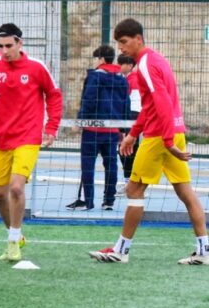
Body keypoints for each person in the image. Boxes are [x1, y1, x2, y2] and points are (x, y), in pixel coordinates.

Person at [90, 18, 208, 264]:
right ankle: (205, 250)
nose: (120, 48)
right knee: (185, 191)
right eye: (118, 43)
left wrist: (166, 142)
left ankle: (121, 250)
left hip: (159, 136)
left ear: (138, 39)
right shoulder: (157, 59)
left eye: (123, 42)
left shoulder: (144, 65)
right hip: (174, 131)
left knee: (134, 189)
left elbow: (162, 102)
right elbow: (152, 105)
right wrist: (134, 133)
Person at [0, 23, 62, 263]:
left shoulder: (36, 67)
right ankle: (16, 234)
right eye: (0, 46)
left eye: (9, 45)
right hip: (0, 139)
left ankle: (12, 242)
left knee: (16, 188)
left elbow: (54, 95)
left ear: (20, 43)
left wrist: (51, 127)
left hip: (28, 138)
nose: (4, 51)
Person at [67, 45, 128, 212]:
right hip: (112, 130)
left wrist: (80, 121)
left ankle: (88, 201)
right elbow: (125, 104)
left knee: (87, 165)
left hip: (93, 130)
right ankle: (109, 200)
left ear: (101, 59)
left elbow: (89, 99)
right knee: (111, 165)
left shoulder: (95, 77)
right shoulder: (122, 78)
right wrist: (123, 129)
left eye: (96, 59)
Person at [117, 53, 141, 190]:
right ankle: (131, 181)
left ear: (130, 66)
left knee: (127, 149)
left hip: (132, 116)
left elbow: (132, 102)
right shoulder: (128, 78)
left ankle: (131, 183)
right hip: (130, 116)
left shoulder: (132, 79)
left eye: (122, 64)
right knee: (128, 149)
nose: (119, 67)